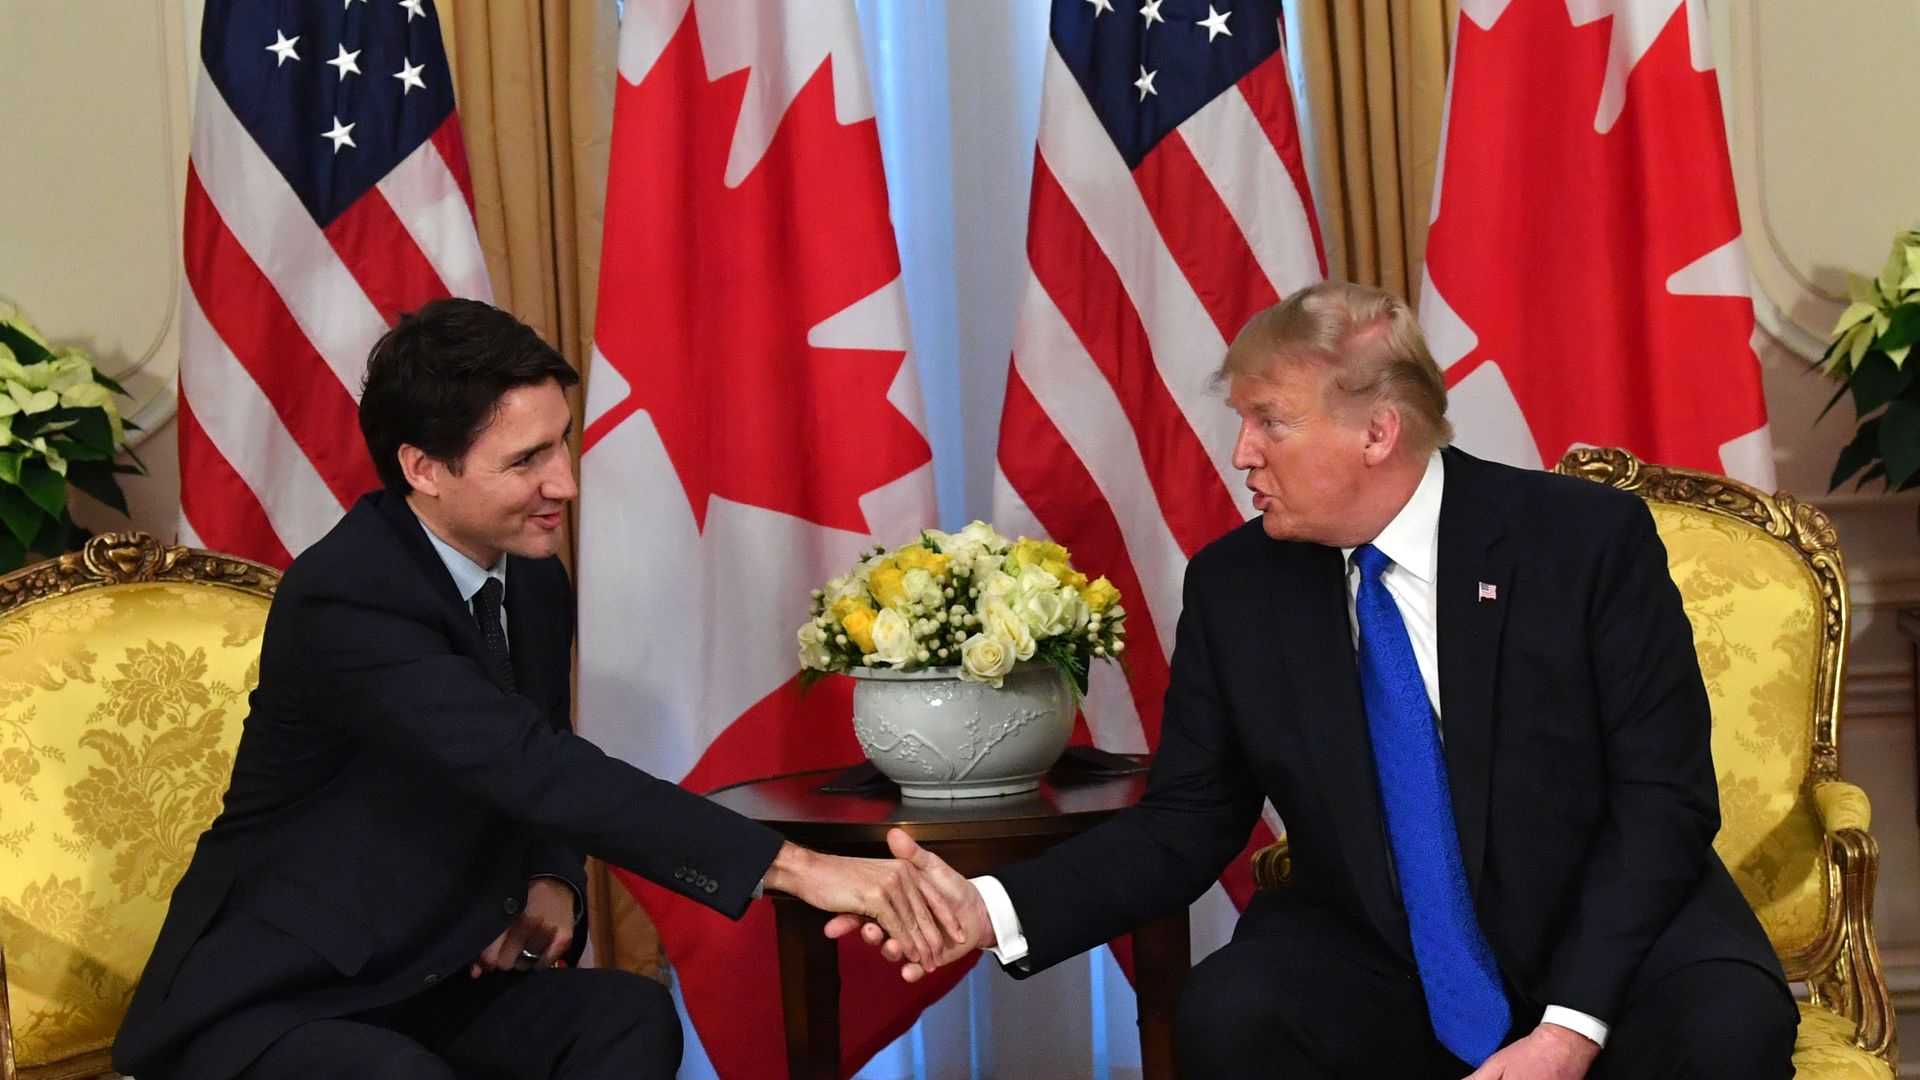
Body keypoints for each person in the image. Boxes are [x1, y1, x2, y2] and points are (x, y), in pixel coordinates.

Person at [838, 282, 1796, 1079]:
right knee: (1231, 1014)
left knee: (1726, 1028)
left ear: (1379, 432)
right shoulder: (1236, 586)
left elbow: (1663, 801)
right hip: (1381, 946)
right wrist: (991, 908)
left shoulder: (1581, 543)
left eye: (1271, 423)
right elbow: (1186, 822)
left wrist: (1568, 1028)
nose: (1243, 453)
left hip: (1612, 928)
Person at [113, 299, 954, 1080]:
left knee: (627, 1020)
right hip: (279, 996)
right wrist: (796, 868)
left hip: (427, 973)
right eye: (527, 459)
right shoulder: (348, 596)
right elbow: (528, 764)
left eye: (562, 444)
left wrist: (551, 878)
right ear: (425, 469)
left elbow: (541, 744)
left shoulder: (530, 576)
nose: (566, 484)